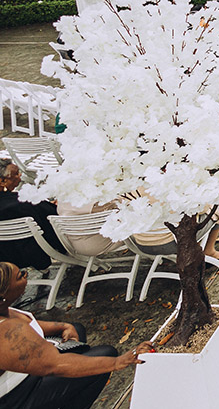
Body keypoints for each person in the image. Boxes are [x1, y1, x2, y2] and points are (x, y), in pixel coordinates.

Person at [0, 262, 153, 409]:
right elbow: (56, 365)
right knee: (107, 354)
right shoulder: (7, 331)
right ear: (3, 294)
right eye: (21, 276)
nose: (27, 276)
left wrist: (64, 326)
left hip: (30, 372)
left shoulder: (6, 310)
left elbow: (31, 323)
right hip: (16, 396)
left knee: (77, 330)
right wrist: (118, 362)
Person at [0, 160, 65, 270]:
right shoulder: (23, 203)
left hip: (7, 260)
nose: (20, 175)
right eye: (15, 174)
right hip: (35, 253)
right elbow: (56, 220)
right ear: (2, 181)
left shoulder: (16, 203)